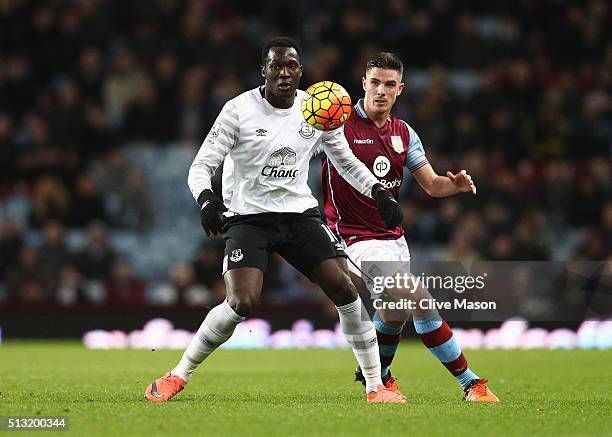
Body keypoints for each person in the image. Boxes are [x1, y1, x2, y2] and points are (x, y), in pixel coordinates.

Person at [144, 38, 405, 404]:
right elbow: (202, 166)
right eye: (276, 66)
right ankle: (177, 375)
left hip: (298, 214)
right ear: (263, 71)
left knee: (345, 289)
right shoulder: (238, 110)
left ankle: (376, 387)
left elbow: (345, 161)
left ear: (301, 71)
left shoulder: (318, 109)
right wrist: (206, 200)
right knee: (242, 302)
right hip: (249, 218)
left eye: (292, 66)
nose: (284, 73)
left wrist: (378, 192)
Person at [321, 52, 499, 402]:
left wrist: (456, 186)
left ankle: (379, 375)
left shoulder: (404, 132)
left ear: (400, 89)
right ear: (363, 84)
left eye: (389, 85)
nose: (381, 91)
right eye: (375, 83)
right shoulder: (336, 123)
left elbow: (432, 184)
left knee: (394, 310)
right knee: (418, 297)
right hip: (355, 238)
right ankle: (471, 383)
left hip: (393, 239)